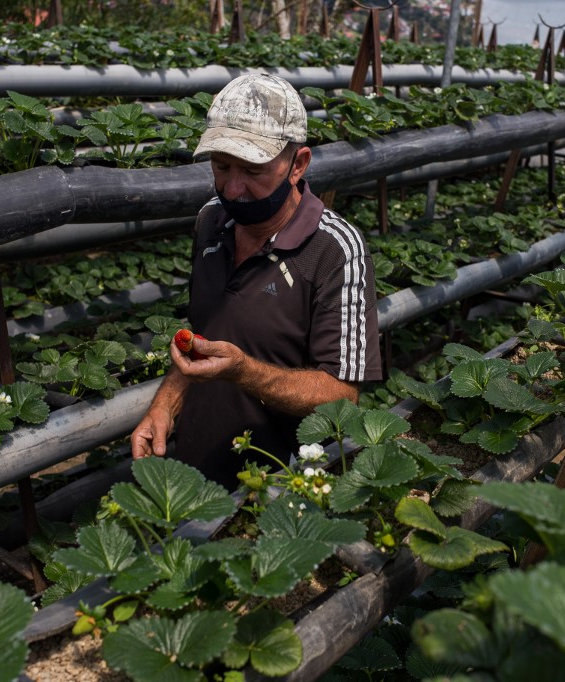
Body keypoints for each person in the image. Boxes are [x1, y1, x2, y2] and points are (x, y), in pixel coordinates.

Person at [130, 73, 382, 489]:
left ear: (298, 164)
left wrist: (245, 372)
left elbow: (343, 396)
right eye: (221, 166)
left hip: (277, 487)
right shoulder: (211, 220)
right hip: (196, 471)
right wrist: (166, 404)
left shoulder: (336, 250)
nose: (233, 187)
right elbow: (206, 333)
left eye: (252, 169)